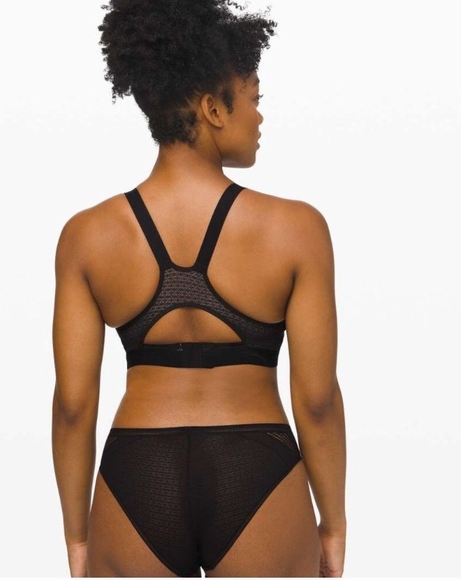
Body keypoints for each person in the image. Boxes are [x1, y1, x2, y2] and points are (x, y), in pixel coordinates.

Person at [52, 0, 346, 577]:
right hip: (256, 467)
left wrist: (78, 537)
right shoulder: (296, 229)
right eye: (254, 99)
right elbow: (317, 401)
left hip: (138, 470)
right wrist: (332, 524)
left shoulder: (87, 236)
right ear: (213, 108)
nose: (260, 117)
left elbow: (72, 405)